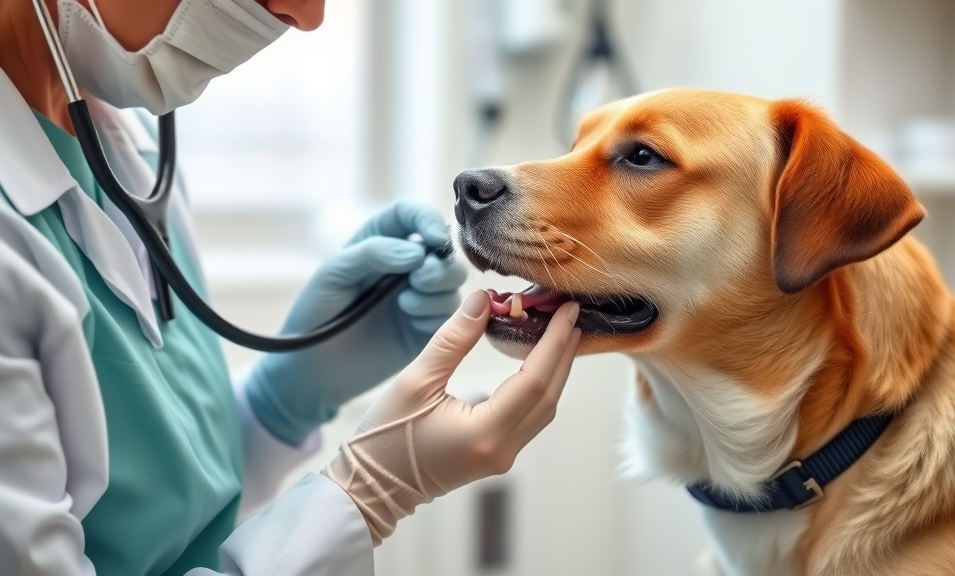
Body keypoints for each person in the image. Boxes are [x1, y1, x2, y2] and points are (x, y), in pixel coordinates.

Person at [0, 0, 583, 574]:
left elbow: (165, 508)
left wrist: (280, 401)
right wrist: (373, 490)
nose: (309, 15)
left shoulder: (127, 150)